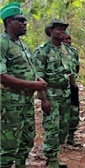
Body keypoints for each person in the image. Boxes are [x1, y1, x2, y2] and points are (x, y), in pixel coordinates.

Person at [0, 2, 47, 168]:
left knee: (27, 138)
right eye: (20, 20)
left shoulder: (22, 45)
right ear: (9, 23)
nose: (25, 23)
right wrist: (32, 84)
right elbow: (2, 76)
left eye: (25, 20)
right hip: (11, 101)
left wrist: (40, 88)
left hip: (26, 101)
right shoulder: (2, 43)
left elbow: (32, 72)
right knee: (9, 142)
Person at [32, 19, 74, 168]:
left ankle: (56, 154)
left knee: (64, 126)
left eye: (64, 30)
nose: (63, 32)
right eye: (59, 30)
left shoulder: (68, 50)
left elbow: (71, 72)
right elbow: (38, 75)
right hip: (51, 92)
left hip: (66, 92)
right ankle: (51, 159)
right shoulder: (42, 50)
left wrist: (73, 92)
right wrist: (44, 99)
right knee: (52, 126)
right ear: (51, 31)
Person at [62, 30, 81, 146]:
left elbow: (77, 68)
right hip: (59, 88)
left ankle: (71, 137)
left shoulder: (74, 52)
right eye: (65, 39)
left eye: (69, 39)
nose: (68, 41)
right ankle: (59, 140)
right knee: (61, 114)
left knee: (74, 112)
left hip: (73, 87)